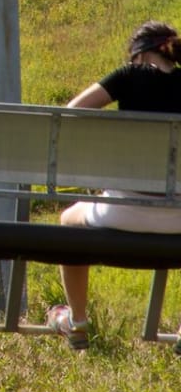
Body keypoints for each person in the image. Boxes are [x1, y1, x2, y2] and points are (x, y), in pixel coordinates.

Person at [47, 20, 181, 350]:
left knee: (68, 222)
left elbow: (73, 111)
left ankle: (77, 322)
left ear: (138, 55)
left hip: (122, 210)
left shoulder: (127, 77)